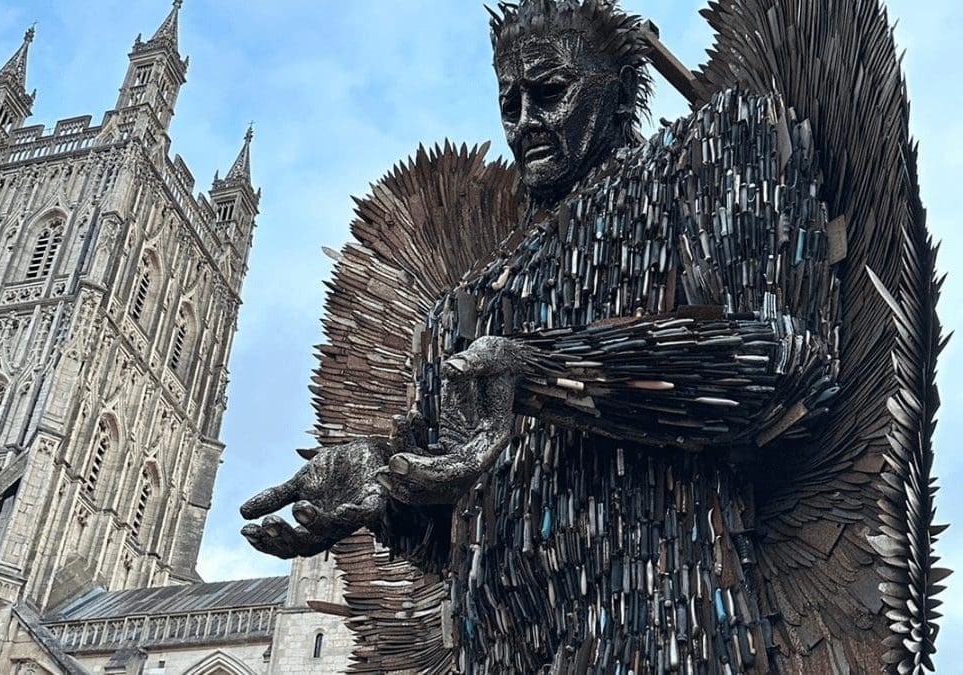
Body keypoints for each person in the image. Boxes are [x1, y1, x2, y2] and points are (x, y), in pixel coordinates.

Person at [243, 1, 939, 671]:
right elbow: (448, 528)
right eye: (508, 103)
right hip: (500, 652)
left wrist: (544, 375)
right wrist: (381, 486)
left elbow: (784, 366)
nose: (524, 125)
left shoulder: (699, 163)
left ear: (616, 88)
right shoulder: (460, 311)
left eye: (549, 92)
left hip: (669, 636)